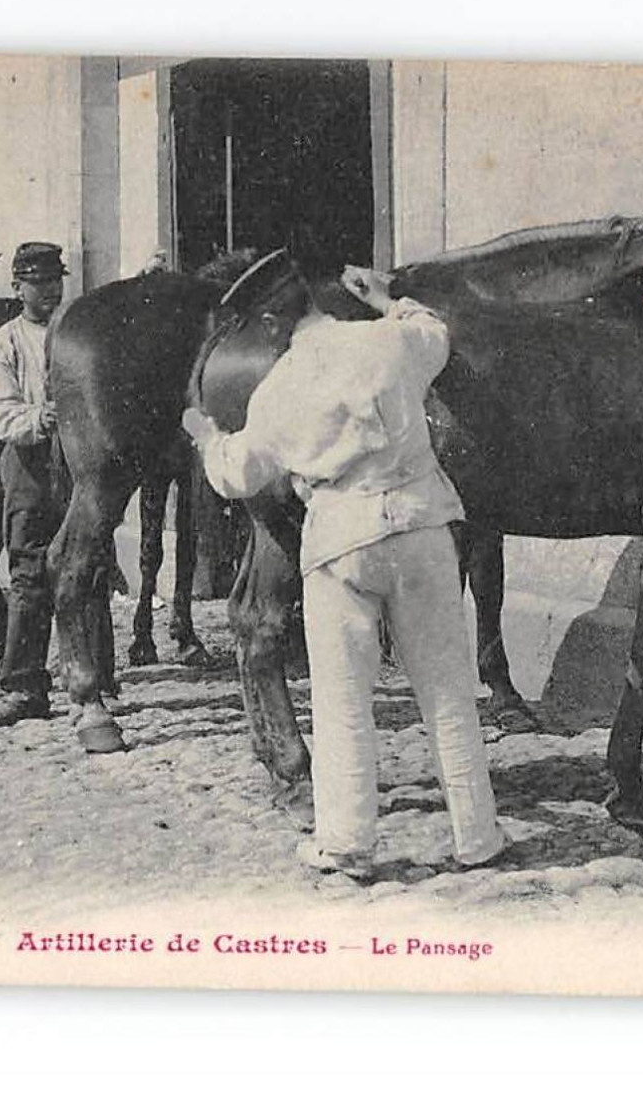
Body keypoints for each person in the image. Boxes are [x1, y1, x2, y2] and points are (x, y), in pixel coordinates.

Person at [181, 250, 507, 878]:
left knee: (342, 700)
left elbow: (235, 474)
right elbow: (434, 329)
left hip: (340, 541)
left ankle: (348, 845)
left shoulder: (279, 389)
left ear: (271, 323)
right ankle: (478, 836)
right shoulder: (391, 344)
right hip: (422, 526)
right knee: (447, 693)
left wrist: (205, 435)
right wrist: (388, 297)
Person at [0, 242, 122, 744]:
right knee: (29, 568)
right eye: (37, 283)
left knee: (92, 561)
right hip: (31, 462)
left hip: (83, 462)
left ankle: (98, 672)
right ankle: (23, 685)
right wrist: (38, 419)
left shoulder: (88, 336)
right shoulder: (5, 343)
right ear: (17, 287)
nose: (49, 290)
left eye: (55, 281)